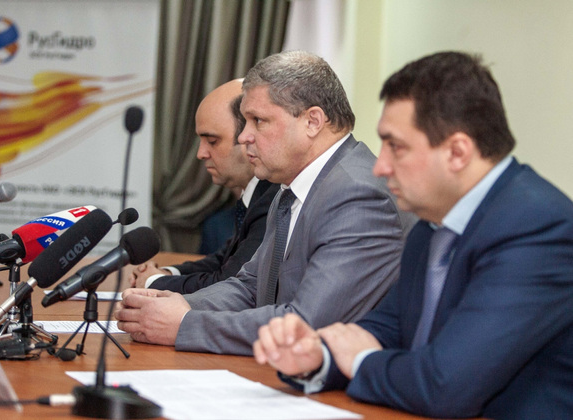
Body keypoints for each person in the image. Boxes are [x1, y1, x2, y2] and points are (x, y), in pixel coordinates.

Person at [253, 51, 573, 420]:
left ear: (457, 152)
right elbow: (388, 328)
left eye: (396, 147)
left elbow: (445, 385)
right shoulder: (432, 225)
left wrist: (361, 360)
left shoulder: (538, 229)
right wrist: (318, 356)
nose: (380, 166)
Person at [115, 50, 414, 355]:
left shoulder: (358, 196)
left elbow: (307, 324)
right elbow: (249, 287)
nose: (244, 136)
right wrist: (174, 305)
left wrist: (185, 324)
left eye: (258, 121)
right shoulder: (291, 188)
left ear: (312, 121)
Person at [128, 79, 279, 294]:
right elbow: (225, 259)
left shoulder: (273, 198)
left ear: (249, 137)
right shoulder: (259, 192)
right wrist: (166, 274)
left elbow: (230, 282)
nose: (201, 153)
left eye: (212, 141)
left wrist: (153, 282)